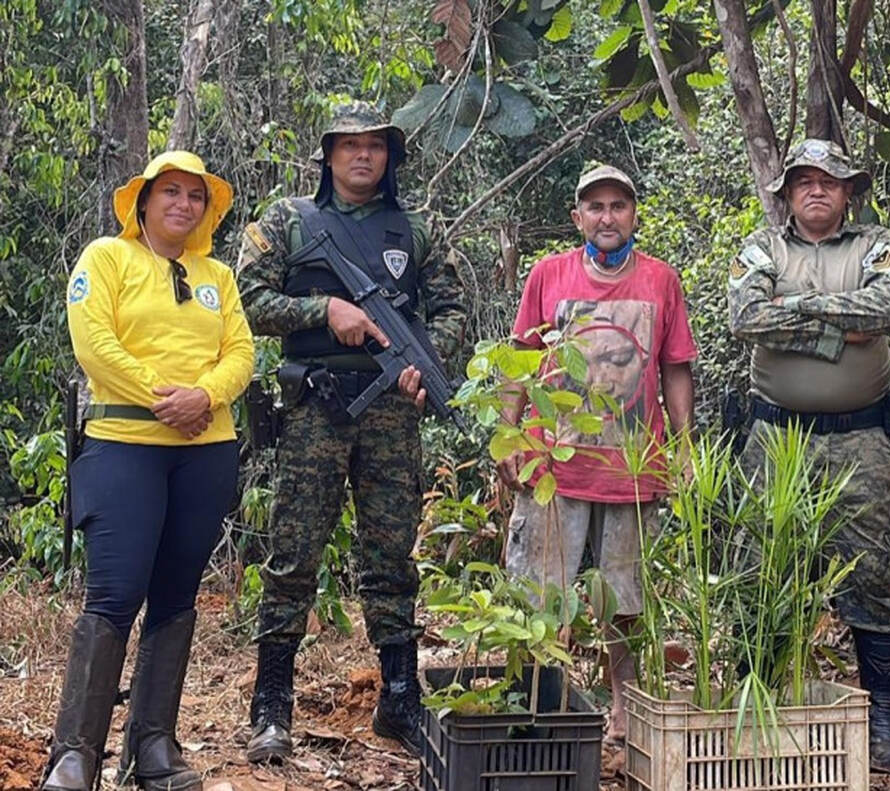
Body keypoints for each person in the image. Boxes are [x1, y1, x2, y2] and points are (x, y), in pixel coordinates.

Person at [235, 102, 466, 761]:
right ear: (328, 155)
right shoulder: (288, 221)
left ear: (390, 157)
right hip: (314, 406)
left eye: (375, 145)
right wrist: (325, 309)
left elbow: (451, 308)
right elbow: (248, 300)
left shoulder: (417, 228)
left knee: (391, 556)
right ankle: (272, 704)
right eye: (349, 145)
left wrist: (426, 363)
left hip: (392, 411)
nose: (363, 155)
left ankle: (400, 696)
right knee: (293, 553)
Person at [49, 150, 253, 791]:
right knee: (114, 594)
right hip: (124, 445)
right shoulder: (107, 258)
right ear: (143, 202)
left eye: (195, 196)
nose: (183, 204)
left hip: (206, 450)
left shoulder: (218, 275)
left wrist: (206, 396)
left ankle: (153, 747)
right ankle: (75, 754)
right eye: (170, 192)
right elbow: (95, 344)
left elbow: (241, 352)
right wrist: (165, 399)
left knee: (176, 596)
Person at [727, 138, 890, 774]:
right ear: (786, 192)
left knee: (872, 575)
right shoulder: (763, 247)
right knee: (763, 571)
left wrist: (796, 306)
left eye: (829, 181)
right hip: (776, 439)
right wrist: (840, 330)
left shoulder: (874, 245)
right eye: (804, 180)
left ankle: (882, 720)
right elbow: (746, 317)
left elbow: (888, 307)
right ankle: (760, 710)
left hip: (860, 439)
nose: (816, 189)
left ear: (847, 192)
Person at [499, 164, 696, 741]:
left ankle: (624, 711)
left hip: (632, 469)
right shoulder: (549, 275)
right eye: (596, 207)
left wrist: (684, 447)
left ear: (634, 215)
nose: (607, 217)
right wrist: (508, 435)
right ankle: (538, 708)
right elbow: (520, 358)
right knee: (539, 591)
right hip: (552, 467)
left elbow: (675, 367)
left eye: (618, 206)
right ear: (577, 217)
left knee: (625, 600)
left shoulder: (661, 280)